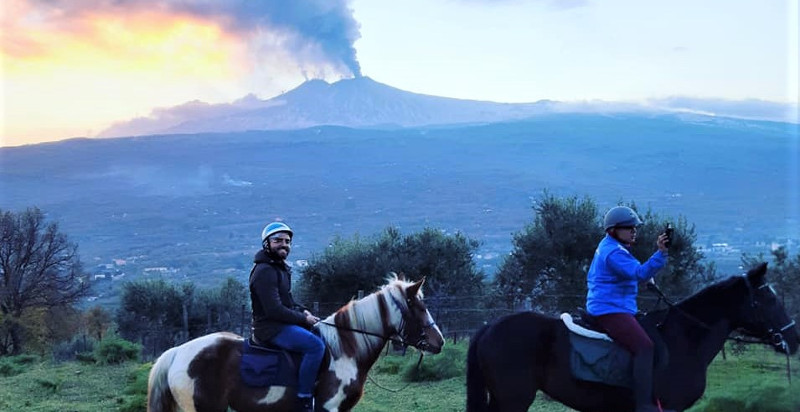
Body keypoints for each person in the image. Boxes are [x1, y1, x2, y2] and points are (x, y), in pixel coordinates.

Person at [585, 206, 673, 412]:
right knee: (645, 347)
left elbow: (631, 274)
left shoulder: (613, 246)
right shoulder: (614, 252)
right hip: (610, 310)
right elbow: (639, 273)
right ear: (613, 230)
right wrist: (661, 253)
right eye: (629, 228)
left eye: (635, 228)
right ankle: (643, 405)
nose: (634, 231)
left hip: (619, 306)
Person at [249, 221, 324, 412]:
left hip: (280, 324)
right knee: (315, 346)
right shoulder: (265, 271)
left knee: (319, 335)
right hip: (270, 328)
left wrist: (304, 311)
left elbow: (288, 300)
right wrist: (303, 319)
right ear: (267, 244)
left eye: (287, 241)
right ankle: (304, 399)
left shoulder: (279, 267)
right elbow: (275, 310)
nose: (284, 245)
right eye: (278, 241)